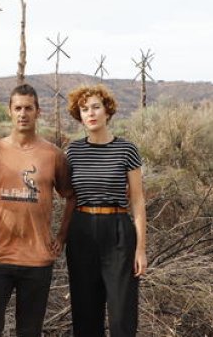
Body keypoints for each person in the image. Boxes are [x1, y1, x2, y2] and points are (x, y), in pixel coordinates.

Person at [0, 83, 75, 337]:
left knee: (29, 331)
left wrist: (61, 237)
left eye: (28, 108)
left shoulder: (53, 155)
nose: (23, 113)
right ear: (9, 112)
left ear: (38, 112)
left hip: (37, 261)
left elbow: (72, 197)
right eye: (18, 108)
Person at [61, 84, 146, 337]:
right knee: (85, 310)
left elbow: (138, 201)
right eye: (84, 109)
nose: (91, 113)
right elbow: (68, 197)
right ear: (80, 116)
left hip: (118, 230)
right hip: (82, 231)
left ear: (107, 111)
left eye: (96, 107)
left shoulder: (127, 150)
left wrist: (141, 249)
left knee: (122, 313)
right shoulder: (73, 151)